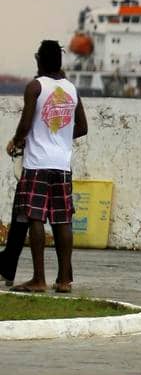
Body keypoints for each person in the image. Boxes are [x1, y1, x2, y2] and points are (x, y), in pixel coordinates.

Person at [5, 40, 87, 293]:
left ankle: (38, 279)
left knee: (35, 217)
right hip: (62, 164)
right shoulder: (71, 90)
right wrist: (59, 137)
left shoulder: (35, 86)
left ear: (39, 59)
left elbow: (26, 122)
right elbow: (82, 127)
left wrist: (16, 141)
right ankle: (64, 280)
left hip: (37, 164)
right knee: (63, 221)